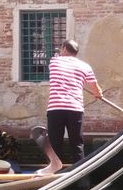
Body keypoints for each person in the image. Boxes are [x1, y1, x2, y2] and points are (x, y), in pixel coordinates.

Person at [40, 39, 102, 174]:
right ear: (76, 52)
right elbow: (95, 89)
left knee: (55, 143)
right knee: (77, 144)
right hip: (75, 109)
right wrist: (98, 94)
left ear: (63, 49)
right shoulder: (85, 67)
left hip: (56, 108)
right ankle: (81, 175)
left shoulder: (54, 61)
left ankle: (55, 175)